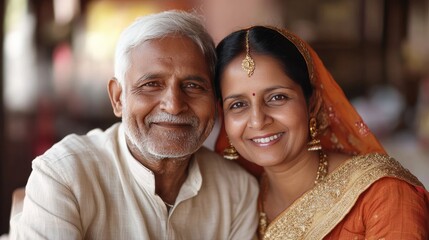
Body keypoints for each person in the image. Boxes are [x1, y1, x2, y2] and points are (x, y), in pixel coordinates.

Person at [10, 10, 259, 239]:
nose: (173, 105)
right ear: (118, 98)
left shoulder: (237, 190)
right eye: (151, 84)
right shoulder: (66, 175)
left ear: (215, 100)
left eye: (193, 86)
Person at [214, 26, 429, 239]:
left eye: (277, 97)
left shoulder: (383, 196)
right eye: (238, 104)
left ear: (313, 104)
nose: (258, 120)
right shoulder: (235, 200)